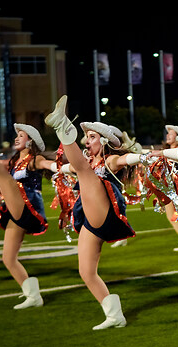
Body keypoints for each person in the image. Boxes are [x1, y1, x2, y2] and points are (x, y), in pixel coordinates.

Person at [45, 96, 144, 330]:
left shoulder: (111, 160)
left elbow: (125, 159)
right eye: (86, 137)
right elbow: (66, 167)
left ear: (105, 141)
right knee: (86, 272)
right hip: (89, 218)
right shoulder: (85, 163)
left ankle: (62, 125)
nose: (87, 141)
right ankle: (114, 315)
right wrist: (51, 167)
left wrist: (143, 156)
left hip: (106, 211)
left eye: (92, 137)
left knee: (84, 171)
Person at [0, 124, 56, 309]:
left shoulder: (35, 159)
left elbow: (46, 164)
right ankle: (33, 295)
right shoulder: (13, 162)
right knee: (8, 258)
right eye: (17, 135)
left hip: (28, 206)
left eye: (21, 135)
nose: (16, 138)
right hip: (15, 208)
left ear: (31, 141)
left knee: (0, 172)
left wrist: (56, 166)